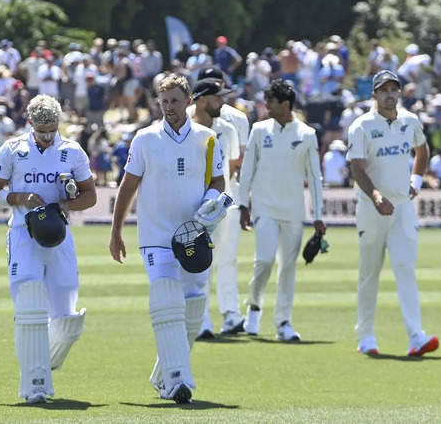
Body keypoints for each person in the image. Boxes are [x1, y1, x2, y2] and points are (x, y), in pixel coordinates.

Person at [109, 74, 227, 404]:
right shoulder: (144, 139)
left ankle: (163, 375)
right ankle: (179, 381)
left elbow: (218, 182)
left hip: (194, 235)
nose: (169, 108)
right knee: (165, 298)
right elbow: (127, 187)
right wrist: (116, 231)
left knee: (192, 308)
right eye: (164, 102)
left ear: (189, 102)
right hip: (156, 235)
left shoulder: (207, 138)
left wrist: (212, 204)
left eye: (175, 101)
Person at [0, 94, 97, 404]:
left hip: (60, 236)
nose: (47, 137)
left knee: (68, 318)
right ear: (30, 123)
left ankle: (43, 362)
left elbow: (90, 196)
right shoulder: (12, 150)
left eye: (52, 130)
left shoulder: (71, 151)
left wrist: (64, 202)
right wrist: (19, 198)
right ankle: (34, 385)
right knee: (30, 305)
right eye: (42, 130)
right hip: (23, 235)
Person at [348, 69, 438, 356]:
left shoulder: (410, 121)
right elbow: (357, 168)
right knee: (369, 273)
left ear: (399, 92)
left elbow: (422, 151)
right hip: (371, 209)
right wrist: (375, 196)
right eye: (384, 90)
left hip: (402, 207)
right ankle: (366, 337)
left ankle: (416, 337)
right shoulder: (361, 126)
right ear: (374, 94)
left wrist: (417, 181)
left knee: (405, 269)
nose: (390, 94)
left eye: (394, 89)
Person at [238, 79, 326, 341]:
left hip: (293, 211)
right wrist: (244, 204)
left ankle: (283, 323)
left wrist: (318, 216)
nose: (266, 105)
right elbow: (247, 170)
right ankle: (253, 307)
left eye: (271, 101)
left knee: (288, 266)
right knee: (263, 261)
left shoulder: (307, 134)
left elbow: (315, 177)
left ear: (285, 104)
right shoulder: (259, 130)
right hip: (264, 206)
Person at [185, 78, 242, 340]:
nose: (223, 101)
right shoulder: (184, 126)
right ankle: (201, 319)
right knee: (195, 265)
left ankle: (209, 317)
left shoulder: (228, 129)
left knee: (213, 261)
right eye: (218, 97)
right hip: (188, 204)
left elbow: (229, 170)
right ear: (203, 99)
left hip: (219, 207)